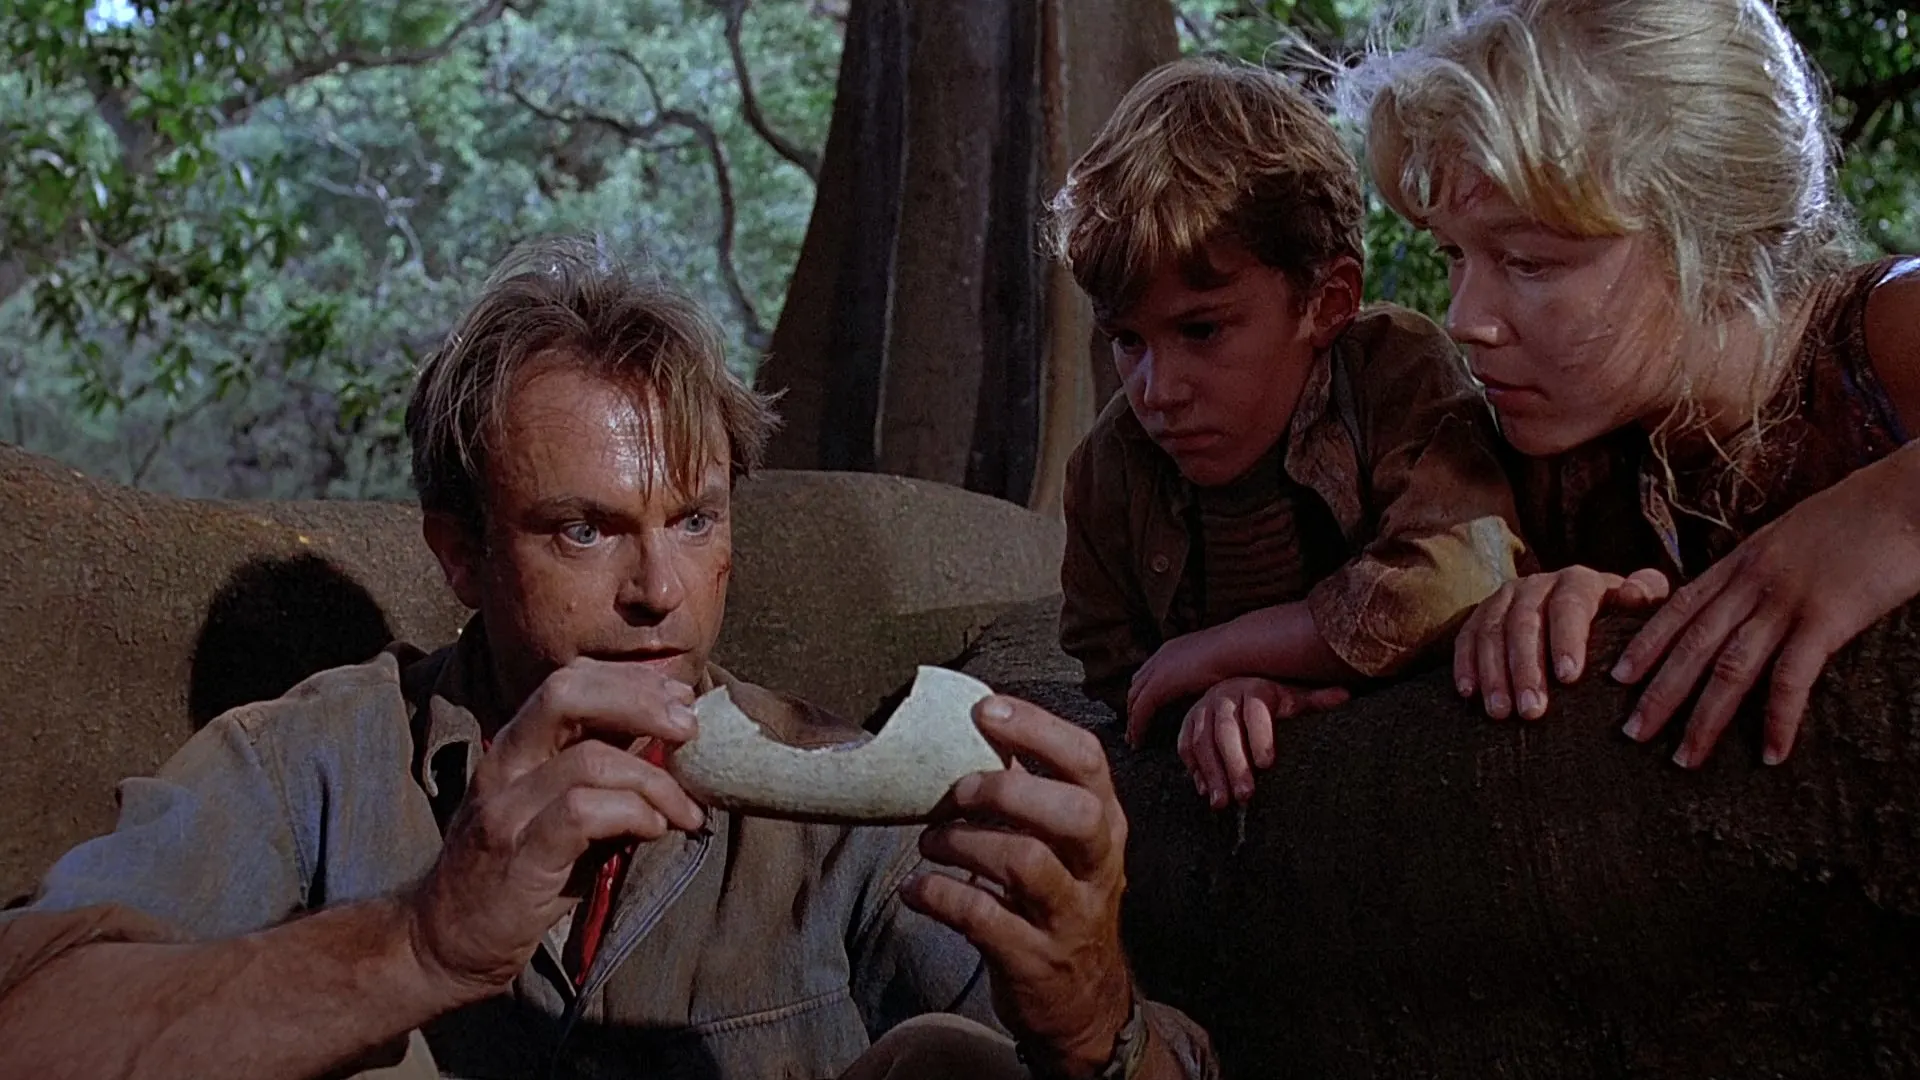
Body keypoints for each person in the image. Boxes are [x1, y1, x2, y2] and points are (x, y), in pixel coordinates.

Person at [0, 238, 1217, 1080]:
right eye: (582, 530)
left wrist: (1094, 1024)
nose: (657, 592)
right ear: (461, 555)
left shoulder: (849, 821)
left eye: (693, 521)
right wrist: (414, 945)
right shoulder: (306, 766)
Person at [1339, 0, 1920, 768]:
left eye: (1527, 262)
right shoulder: (1553, 464)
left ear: (1714, 238)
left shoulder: (1886, 336)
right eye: (1453, 254)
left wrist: (1896, 510)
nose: (1464, 318)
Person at [1050, 57, 1524, 809]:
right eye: (1127, 340)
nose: (1157, 391)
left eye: (1201, 330)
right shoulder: (1112, 466)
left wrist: (1225, 651)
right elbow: (1118, 667)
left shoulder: (1392, 374)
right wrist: (1219, 700)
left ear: (1327, 302)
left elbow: (1459, 573)